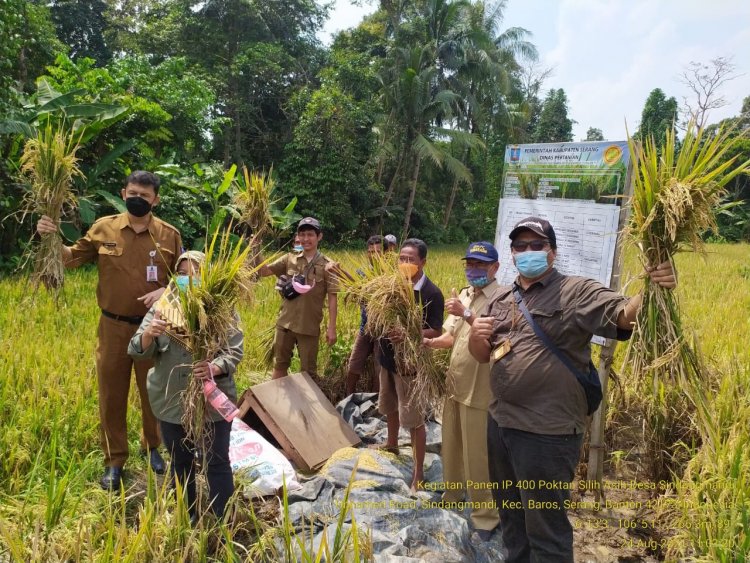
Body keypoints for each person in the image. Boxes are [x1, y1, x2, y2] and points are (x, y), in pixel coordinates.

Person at [469, 216, 676, 562]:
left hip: (546, 434)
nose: (528, 251)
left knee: (546, 531)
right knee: (512, 520)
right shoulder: (502, 297)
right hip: (501, 425)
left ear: (552, 253)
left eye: (537, 245)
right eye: (521, 246)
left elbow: (623, 314)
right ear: (512, 253)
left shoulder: (575, 291)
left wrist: (654, 288)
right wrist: (476, 337)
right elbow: (482, 355)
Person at [36, 171, 182, 490]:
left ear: (156, 199)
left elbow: (186, 279)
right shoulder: (104, 228)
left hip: (153, 328)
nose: (137, 199)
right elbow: (72, 258)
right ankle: (114, 460)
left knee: (153, 393)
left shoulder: (169, 235)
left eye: (145, 195)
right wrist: (51, 237)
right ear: (123, 192)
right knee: (111, 395)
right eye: (133, 193)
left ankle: (152, 446)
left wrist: (166, 292)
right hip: (112, 327)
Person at [128, 251, 243, 520]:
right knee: (181, 462)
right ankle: (188, 515)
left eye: (195, 273)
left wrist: (213, 367)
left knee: (217, 461)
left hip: (212, 402)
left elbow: (234, 352)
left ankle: (223, 519)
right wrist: (149, 334)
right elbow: (135, 350)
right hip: (171, 400)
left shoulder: (222, 311)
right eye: (182, 273)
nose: (188, 279)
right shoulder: (162, 310)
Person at [424, 241, 501, 542]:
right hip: (454, 386)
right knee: (451, 448)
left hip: (480, 391)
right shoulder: (464, 294)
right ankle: (453, 497)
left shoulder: (502, 298)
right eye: (470, 264)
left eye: (481, 265)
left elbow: (494, 338)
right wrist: (426, 343)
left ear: (495, 268)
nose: (474, 270)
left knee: (478, 457)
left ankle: (485, 516)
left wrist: (466, 311)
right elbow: (449, 336)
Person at [374, 238, 444, 492]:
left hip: (410, 365)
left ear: (422, 262)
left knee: (414, 420)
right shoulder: (390, 287)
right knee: (389, 404)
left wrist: (410, 334)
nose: (404, 263)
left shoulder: (432, 293)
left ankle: (418, 474)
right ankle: (391, 442)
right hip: (387, 358)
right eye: (401, 258)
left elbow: (436, 330)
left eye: (410, 259)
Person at [260, 217, 338, 379]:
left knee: (308, 372)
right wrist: (256, 247)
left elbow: (332, 298)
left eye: (310, 235)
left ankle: (305, 405)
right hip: (285, 324)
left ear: (319, 237)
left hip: (308, 326)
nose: (305, 239)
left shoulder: (328, 265)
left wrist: (331, 328)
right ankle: (277, 402)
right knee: (280, 365)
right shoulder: (289, 259)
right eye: (302, 235)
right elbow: (264, 272)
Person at [343, 234, 386, 395]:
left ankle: (376, 401)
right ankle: (349, 396)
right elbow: (357, 292)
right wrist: (340, 272)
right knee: (354, 363)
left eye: (378, 252)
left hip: (384, 330)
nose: (374, 255)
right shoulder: (363, 273)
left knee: (379, 368)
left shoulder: (392, 276)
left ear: (386, 253)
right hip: (366, 326)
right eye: (370, 252)